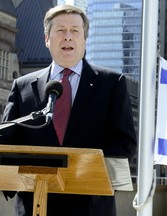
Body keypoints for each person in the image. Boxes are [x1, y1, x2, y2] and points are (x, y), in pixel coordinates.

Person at [0, 4, 137, 216]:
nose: (68, 37)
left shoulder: (111, 84)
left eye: (75, 31)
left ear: (84, 39)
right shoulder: (22, 86)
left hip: (90, 207)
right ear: (47, 39)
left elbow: (124, 143)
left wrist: (83, 172)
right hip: (35, 204)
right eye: (60, 30)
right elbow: (7, 141)